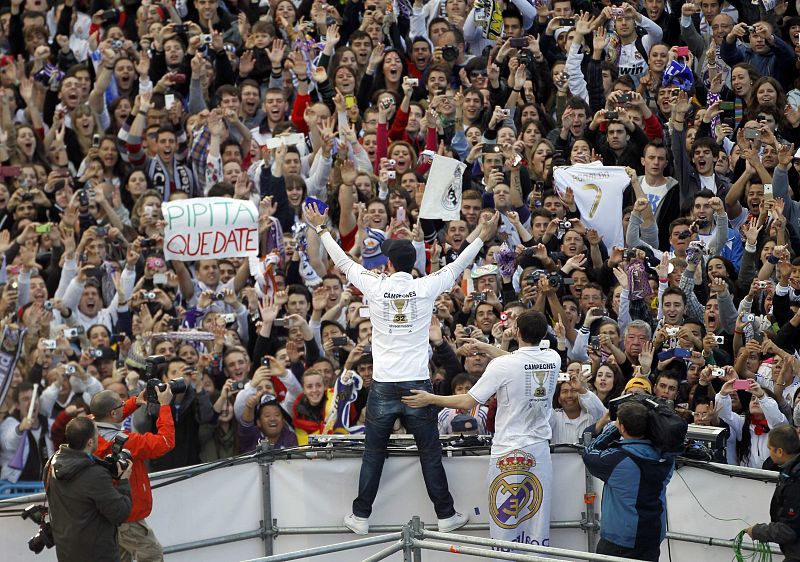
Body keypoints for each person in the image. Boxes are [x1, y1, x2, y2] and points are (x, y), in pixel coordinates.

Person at [305, 202, 499, 535]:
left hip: (383, 386)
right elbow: (460, 263)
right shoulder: (426, 286)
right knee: (430, 452)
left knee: (373, 454)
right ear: (412, 264)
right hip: (418, 387)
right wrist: (481, 236)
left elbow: (341, 261)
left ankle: (361, 517)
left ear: (389, 262)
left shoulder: (375, 285)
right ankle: (446, 515)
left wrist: (322, 228)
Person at [403, 310, 560, 553]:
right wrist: (486, 348)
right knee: (536, 516)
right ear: (543, 335)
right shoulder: (552, 357)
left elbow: (468, 402)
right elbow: (520, 361)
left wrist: (429, 398)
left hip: (508, 450)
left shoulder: (504, 365)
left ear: (517, 332)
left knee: (504, 518)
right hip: (539, 451)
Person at [582, 401, 675, 561]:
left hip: (619, 540)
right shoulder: (666, 456)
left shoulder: (617, 459)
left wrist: (613, 428)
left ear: (622, 428)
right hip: (651, 537)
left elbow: (589, 453)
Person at [91, 386, 176, 562]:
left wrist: (136, 401)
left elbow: (105, 415)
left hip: (109, 510)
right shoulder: (126, 442)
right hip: (127, 514)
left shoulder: (87, 428)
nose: (124, 406)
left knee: (122, 557)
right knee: (152, 555)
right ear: (113, 413)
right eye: (121, 404)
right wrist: (165, 406)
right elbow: (165, 442)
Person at [45, 417, 133, 562]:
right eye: (96, 435)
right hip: (97, 554)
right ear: (90, 442)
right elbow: (120, 513)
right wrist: (123, 481)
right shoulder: (94, 474)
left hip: (66, 552)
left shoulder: (52, 463)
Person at [745, 424, 800, 561]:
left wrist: (758, 531)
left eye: (769, 448)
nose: (768, 452)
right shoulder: (791, 471)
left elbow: (790, 529)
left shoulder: (795, 480)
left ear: (780, 451)